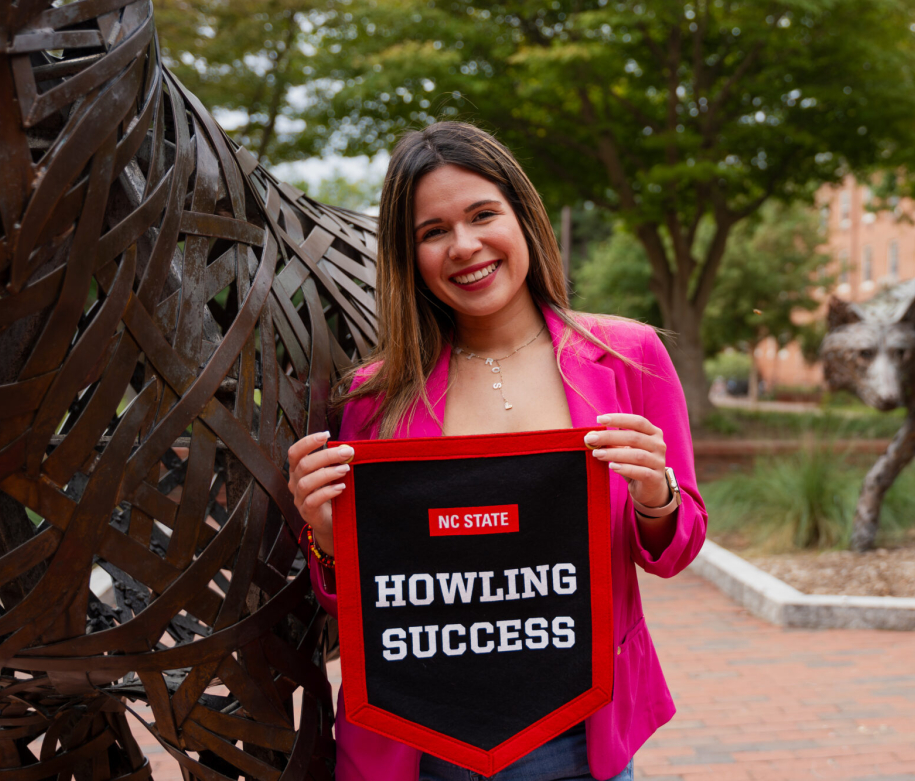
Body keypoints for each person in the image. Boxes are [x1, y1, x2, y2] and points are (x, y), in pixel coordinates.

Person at [285, 121, 707, 781]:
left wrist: (659, 495)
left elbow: (676, 550)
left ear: (524, 218)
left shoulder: (629, 359)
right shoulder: (375, 398)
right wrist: (327, 536)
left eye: (484, 215)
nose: (465, 246)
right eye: (433, 232)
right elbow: (364, 606)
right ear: (408, 255)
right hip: (418, 748)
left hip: (578, 741)